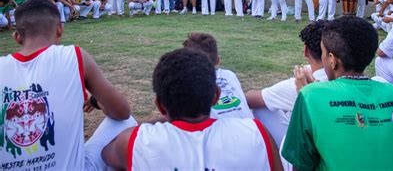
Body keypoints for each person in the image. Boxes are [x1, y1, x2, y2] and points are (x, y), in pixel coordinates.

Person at [0, 0, 135, 169]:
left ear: (16, 37)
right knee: (126, 122)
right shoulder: (74, 56)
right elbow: (122, 112)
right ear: (60, 29)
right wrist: (96, 101)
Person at [102, 47, 282, 170]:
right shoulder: (256, 133)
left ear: (160, 105)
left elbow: (105, 155)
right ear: (216, 97)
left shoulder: (135, 140)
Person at [282, 16, 393, 170]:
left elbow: (301, 164)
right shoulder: (392, 93)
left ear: (332, 60)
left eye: (323, 53)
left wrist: (306, 93)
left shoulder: (310, 95)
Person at [246, 21, 328, 147]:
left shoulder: (300, 84)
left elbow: (250, 99)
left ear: (306, 51)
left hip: (308, 147)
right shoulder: (345, 77)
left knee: (262, 107)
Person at [183, 33, 253, 119]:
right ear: (218, 60)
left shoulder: (187, 84)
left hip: (217, 130)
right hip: (251, 128)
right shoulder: (229, 75)